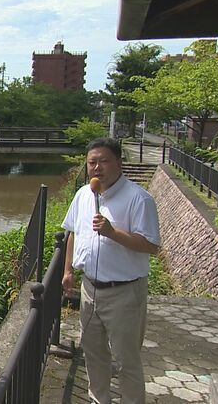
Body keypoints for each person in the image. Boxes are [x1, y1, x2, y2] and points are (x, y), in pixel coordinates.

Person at [61, 137, 161, 404]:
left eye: (104, 161)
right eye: (92, 162)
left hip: (125, 293)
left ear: (119, 162)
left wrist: (112, 232)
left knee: (127, 359)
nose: (97, 168)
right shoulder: (84, 194)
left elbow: (151, 246)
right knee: (93, 353)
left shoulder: (138, 199)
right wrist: (68, 270)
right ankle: (98, 399)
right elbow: (73, 233)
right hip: (90, 289)